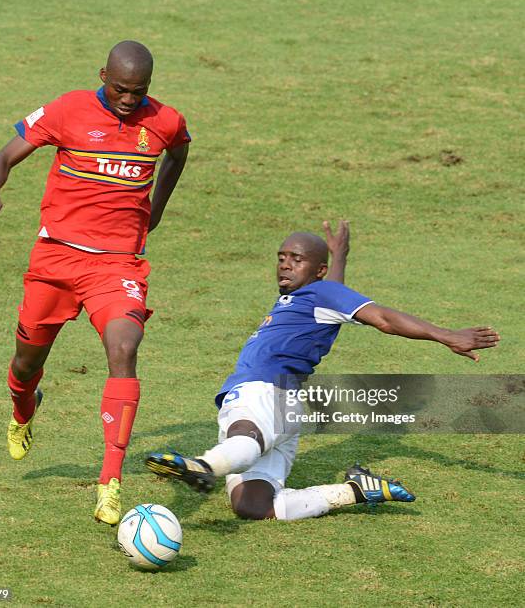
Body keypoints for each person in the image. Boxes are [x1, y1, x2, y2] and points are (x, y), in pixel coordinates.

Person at [146, 220, 500, 520]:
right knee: (252, 506)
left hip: (264, 392)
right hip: (285, 405)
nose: (285, 264)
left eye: (296, 259)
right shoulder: (313, 298)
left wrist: (446, 335)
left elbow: (384, 319)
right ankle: (354, 491)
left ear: (316, 271)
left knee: (246, 434)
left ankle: (204, 467)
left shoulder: (318, 295)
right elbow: (335, 294)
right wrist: (340, 256)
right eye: (281, 257)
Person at [0, 41, 190, 525]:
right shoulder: (68, 110)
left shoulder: (166, 121)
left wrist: (155, 209)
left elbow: (179, 152)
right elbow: (5, 156)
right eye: (120, 90)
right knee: (27, 363)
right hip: (56, 260)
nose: (129, 101)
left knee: (125, 346)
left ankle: (109, 483)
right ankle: (23, 407)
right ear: (102, 76)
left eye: (139, 92)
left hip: (117, 265)